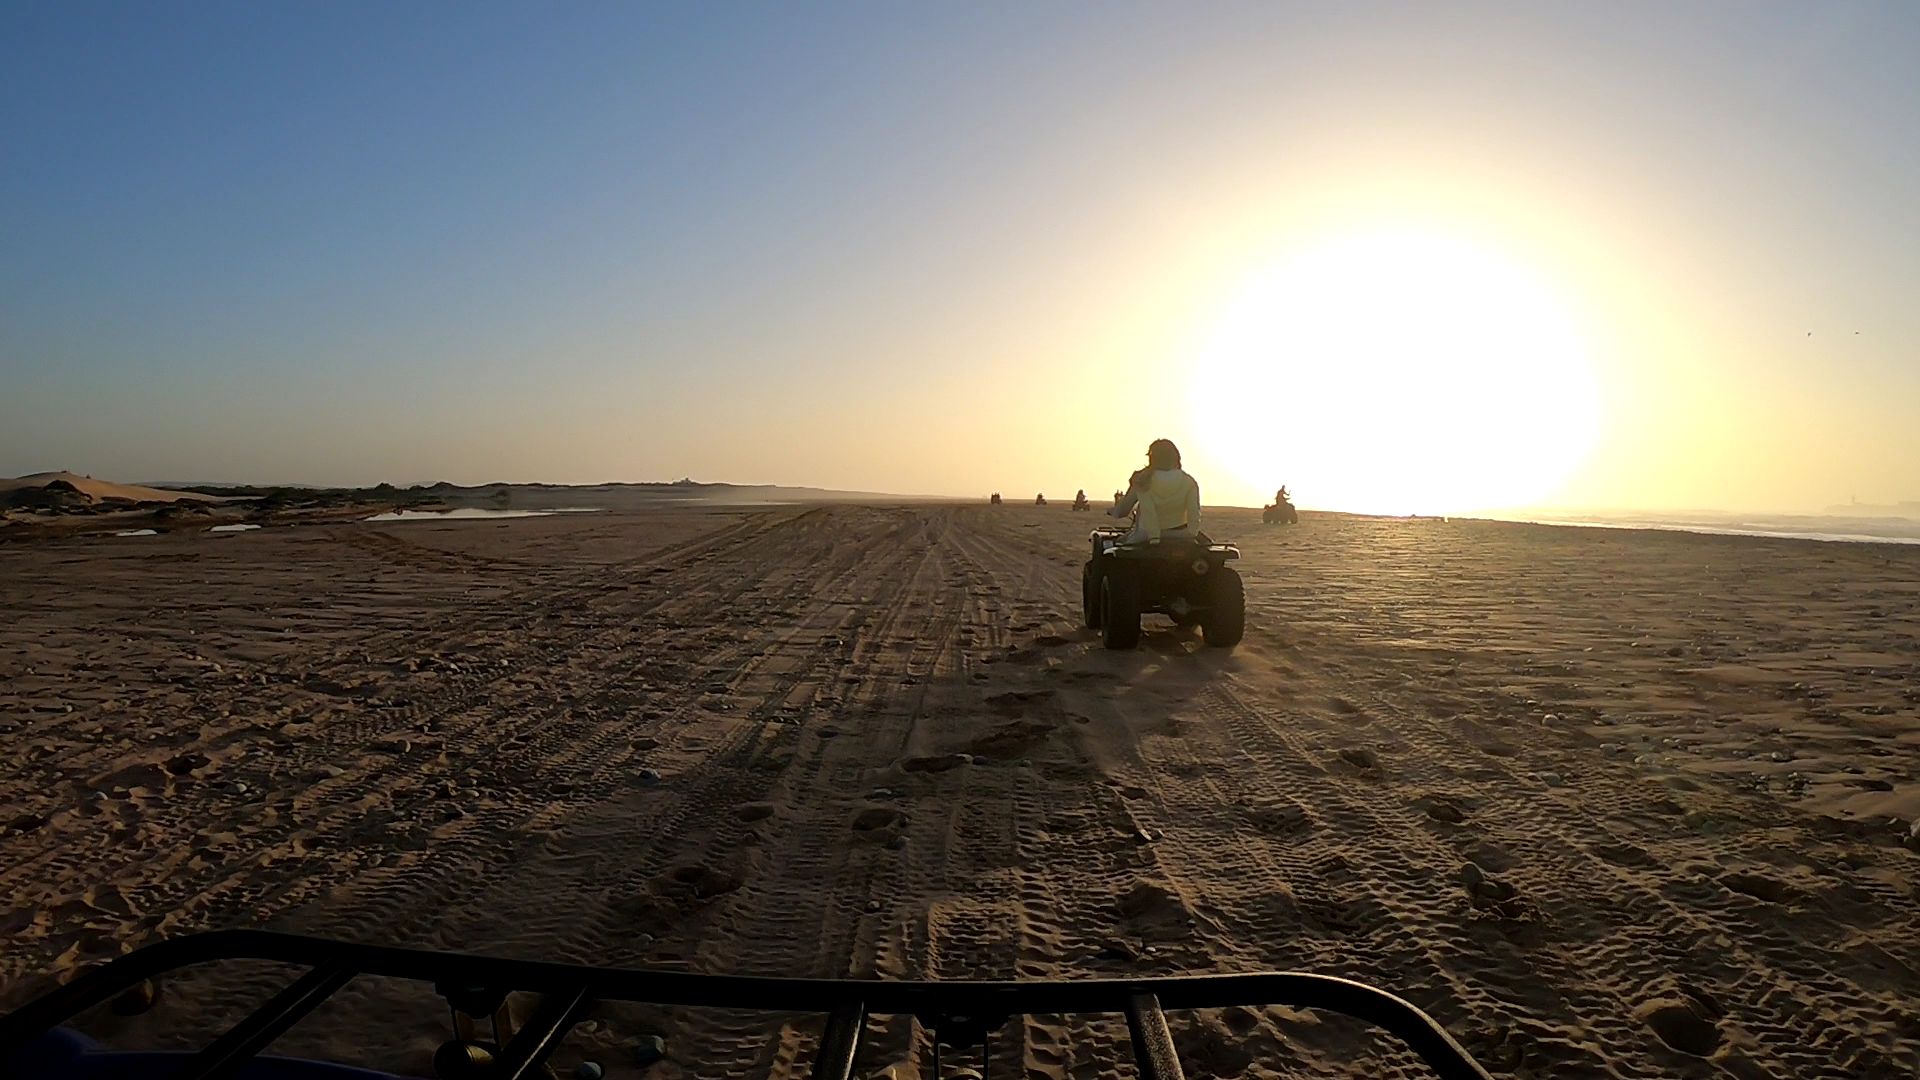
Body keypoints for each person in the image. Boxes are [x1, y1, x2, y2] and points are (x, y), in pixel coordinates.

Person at [1108, 438, 1201, 543]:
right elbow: (1194, 516)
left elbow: (1122, 511)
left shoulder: (1142, 479)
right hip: (1180, 535)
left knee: (1115, 544)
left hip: (1145, 536)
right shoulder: (1189, 482)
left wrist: (1112, 510)